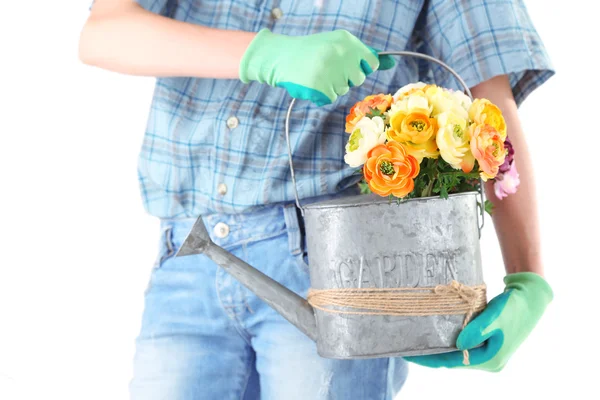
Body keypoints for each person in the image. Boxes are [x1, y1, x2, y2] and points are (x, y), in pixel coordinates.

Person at [79, 0, 555, 398]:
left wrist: (527, 277)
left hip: (337, 268)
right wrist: (265, 54)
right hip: (187, 255)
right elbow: (103, 32)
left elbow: (489, 109)